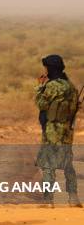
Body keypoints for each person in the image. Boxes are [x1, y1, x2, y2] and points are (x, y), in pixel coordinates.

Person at [35, 55, 81, 208]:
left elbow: (41, 104)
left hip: (52, 129)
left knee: (48, 164)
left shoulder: (52, 86)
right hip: (67, 131)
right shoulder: (72, 87)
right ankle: (73, 198)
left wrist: (40, 86)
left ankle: (48, 200)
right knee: (67, 163)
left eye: (47, 67)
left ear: (51, 69)